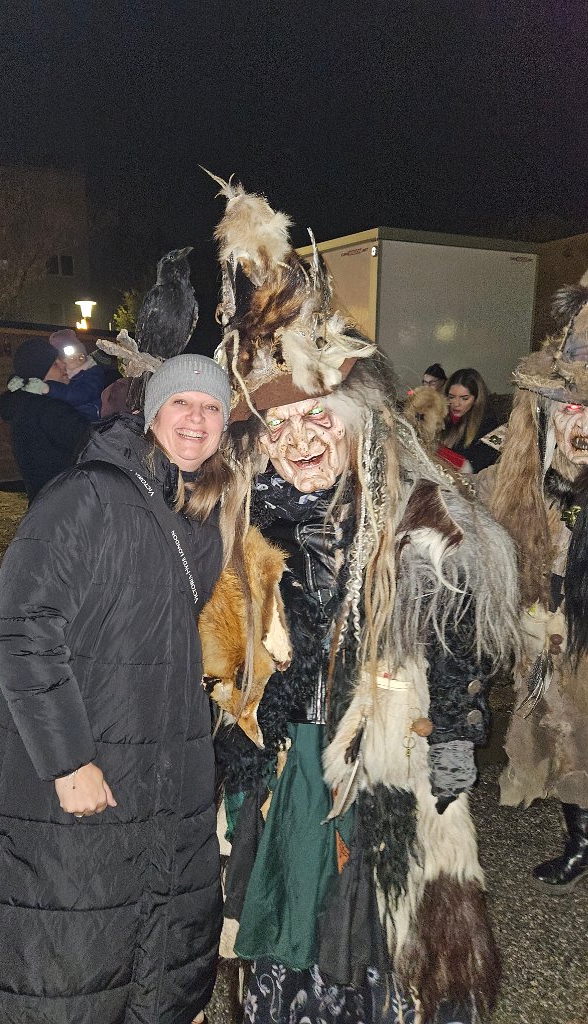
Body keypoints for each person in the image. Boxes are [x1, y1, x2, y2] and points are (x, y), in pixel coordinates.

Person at [201, 176, 520, 1024]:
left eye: (320, 420)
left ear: (360, 424)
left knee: (379, 942)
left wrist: (455, 730)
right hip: (280, 776)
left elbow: (457, 645)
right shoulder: (239, 531)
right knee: (281, 938)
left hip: (381, 776)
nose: (301, 441)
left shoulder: (417, 522)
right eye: (280, 427)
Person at [0, 354, 237, 1024]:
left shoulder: (199, 510)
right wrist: (68, 761)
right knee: (67, 951)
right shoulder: (86, 493)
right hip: (82, 757)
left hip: (160, 756)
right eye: (182, 403)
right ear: (150, 413)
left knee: (149, 932)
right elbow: (22, 626)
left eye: (212, 407)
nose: (196, 419)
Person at [483, 271, 588, 894]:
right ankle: (582, 839)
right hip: (549, 639)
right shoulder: (523, 480)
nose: (582, 423)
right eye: (570, 407)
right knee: (564, 733)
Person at [0, 336, 91, 502]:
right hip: (66, 505)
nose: (63, 364)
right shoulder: (49, 411)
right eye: (55, 363)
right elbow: (93, 443)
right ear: (38, 376)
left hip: (47, 505)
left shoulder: (26, 406)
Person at [438, 367, 500, 472]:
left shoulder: (489, 423)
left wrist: (437, 451)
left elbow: (476, 466)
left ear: (476, 399)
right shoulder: (440, 416)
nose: (456, 404)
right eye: (451, 397)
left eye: (464, 398)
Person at [42, 328, 106, 422]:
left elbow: (81, 394)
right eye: (71, 358)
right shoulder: (65, 375)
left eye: (81, 357)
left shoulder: (92, 373)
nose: (77, 360)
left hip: (90, 418)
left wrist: (50, 388)